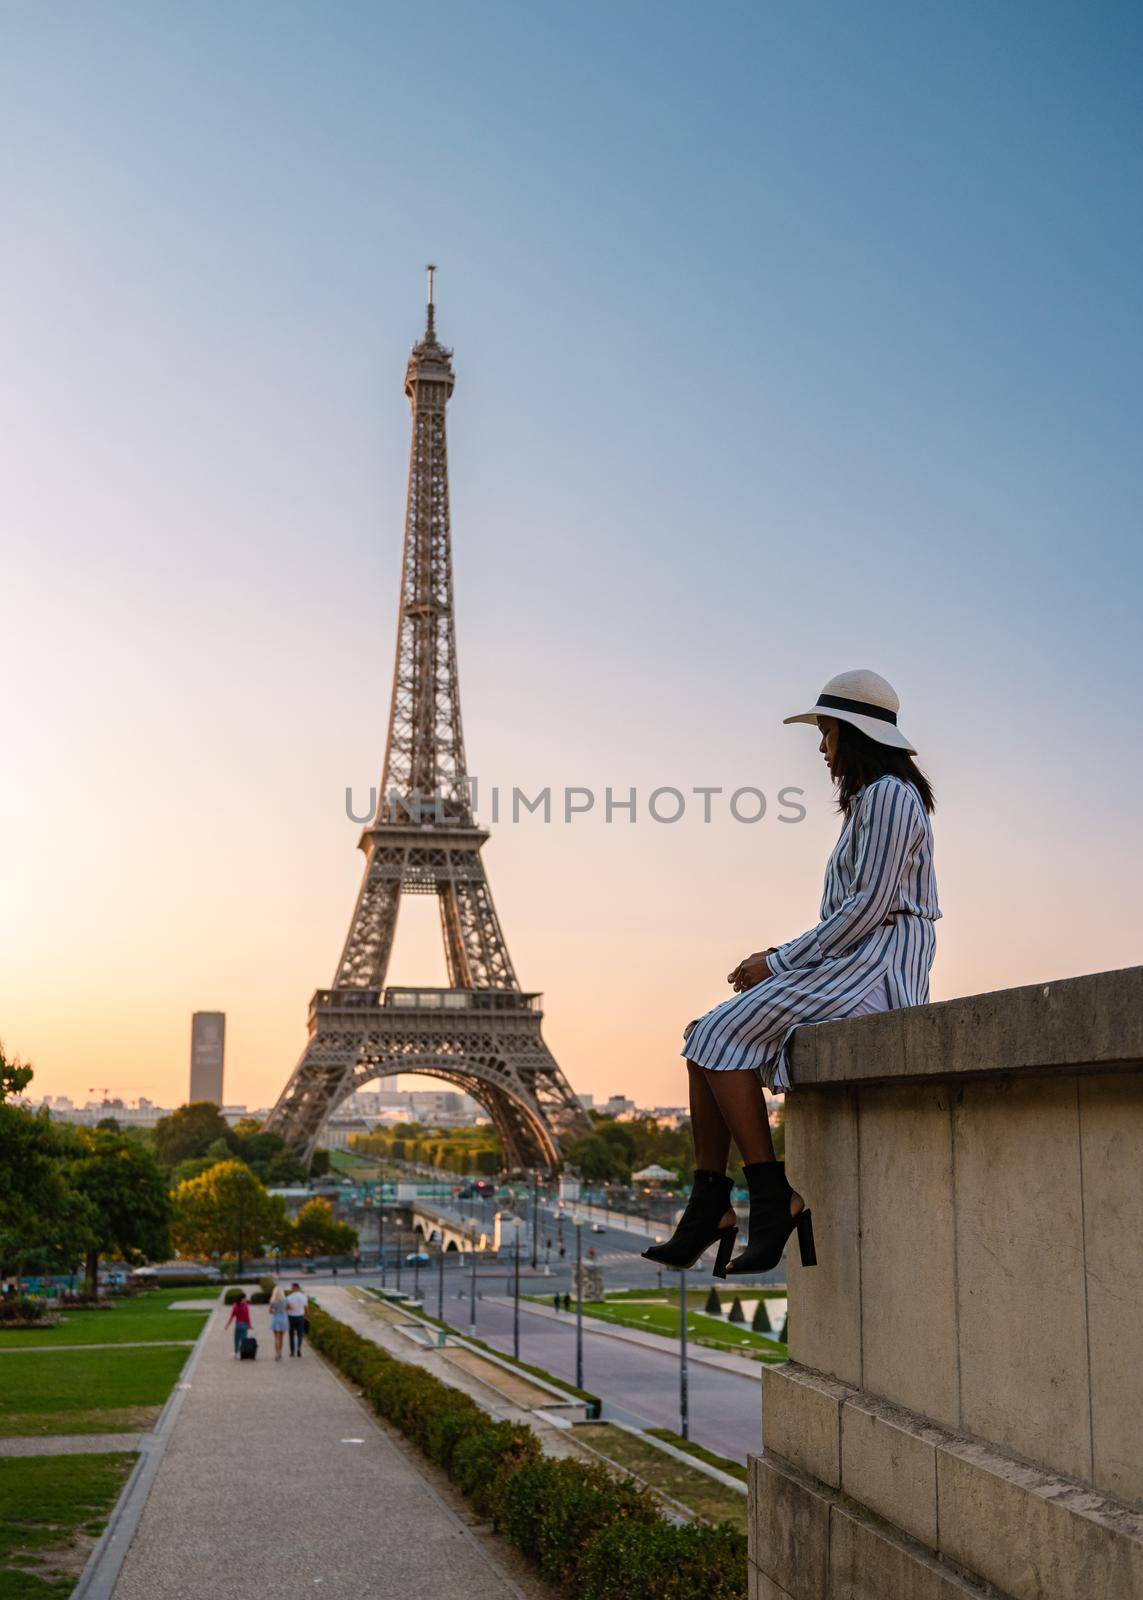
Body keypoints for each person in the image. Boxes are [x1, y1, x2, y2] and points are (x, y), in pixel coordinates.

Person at [645, 670, 939, 1280]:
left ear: (852, 732)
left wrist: (775, 962)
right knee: (705, 1032)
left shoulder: (889, 796)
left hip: (877, 965)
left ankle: (769, 1202)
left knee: (720, 1033)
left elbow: (869, 906)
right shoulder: (871, 800)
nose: (820, 743)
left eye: (825, 729)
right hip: (852, 959)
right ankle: (712, 1206)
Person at [225, 1290, 253, 1358]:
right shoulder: (245, 1306)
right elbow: (247, 1317)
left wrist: (227, 1325)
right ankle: (243, 1353)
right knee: (243, 1340)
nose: (246, 1299)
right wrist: (249, 1325)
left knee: (236, 1339)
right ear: (242, 1299)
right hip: (244, 1325)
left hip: (237, 1325)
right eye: (245, 1298)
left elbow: (232, 1316)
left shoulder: (235, 1306)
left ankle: (236, 1353)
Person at [284, 1282, 307, 1357]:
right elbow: (306, 1308)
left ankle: (292, 1352)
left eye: (292, 1288)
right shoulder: (303, 1297)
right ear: (298, 1288)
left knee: (291, 1335)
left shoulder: (288, 1297)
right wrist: (306, 1316)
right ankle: (299, 1349)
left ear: (294, 1288)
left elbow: (286, 1308)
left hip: (291, 1317)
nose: (291, 1289)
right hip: (300, 1317)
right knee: (300, 1334)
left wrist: (288, 1311)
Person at [268, 1284, 289, 1361]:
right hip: (283, 1319)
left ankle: (276, 1354)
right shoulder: (285, 1300)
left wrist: (275, 1312)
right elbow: (290, 1308)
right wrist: (284, 1311)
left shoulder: (273, 1301)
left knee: (276, 1338)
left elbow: (270, 1311)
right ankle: (280, 1352)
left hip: (276, 1319)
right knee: (281, 1338)